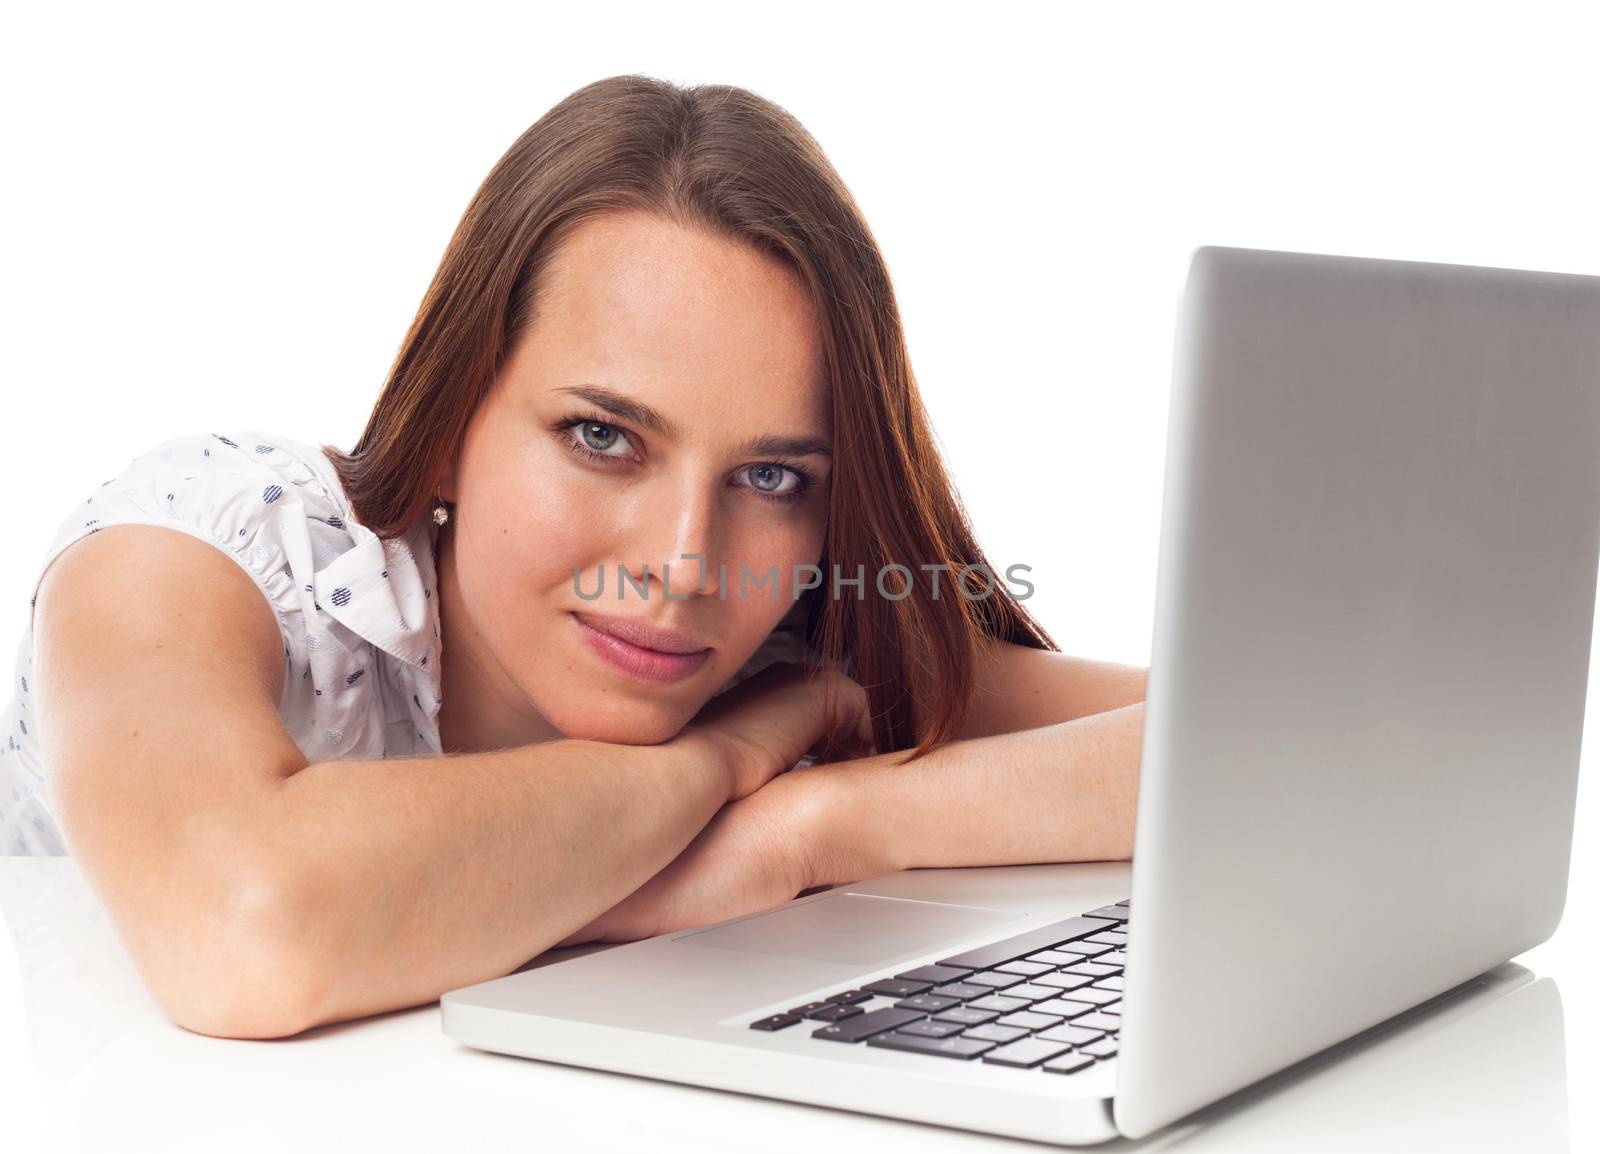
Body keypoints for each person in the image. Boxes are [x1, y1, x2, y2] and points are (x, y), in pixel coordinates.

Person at [0, 75, 1148, 1038]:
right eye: (603, 437)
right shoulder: (203, 542)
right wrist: (718, 761)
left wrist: (817, 829)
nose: (688, 565)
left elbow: (1255, 737)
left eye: (771, 477)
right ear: (449, 420)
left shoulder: (786, 625)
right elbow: (243, 926)